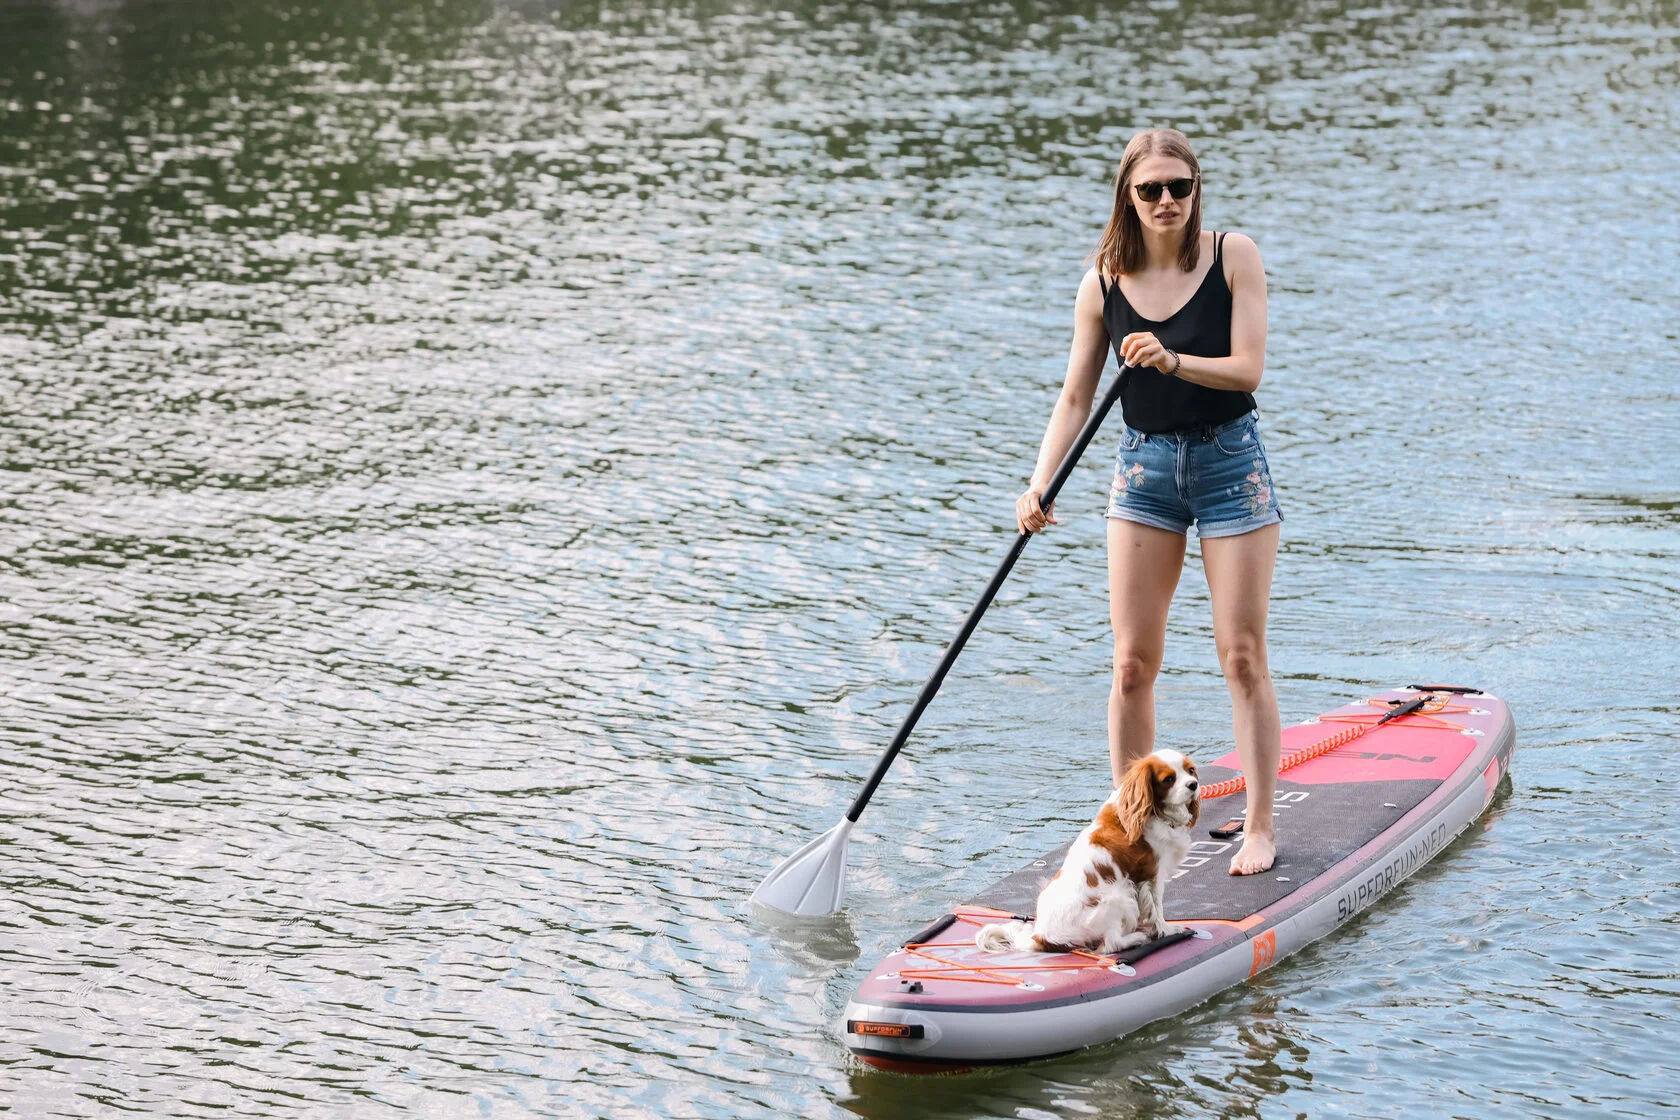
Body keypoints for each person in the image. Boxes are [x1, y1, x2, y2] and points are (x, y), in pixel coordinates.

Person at [1014, 128, 1283, 876]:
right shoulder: (1102, 283)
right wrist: (1039, 482)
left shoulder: (1233, 256)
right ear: (1127, 198)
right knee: (1132, 663)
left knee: (1241, 655)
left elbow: (1248, 369)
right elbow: (1076, 397)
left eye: (1180, 187)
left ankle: (1260, 827)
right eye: (1151, 189)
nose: (1167, 200)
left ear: (1197, 190)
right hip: (1144, 472)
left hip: (1231, 464)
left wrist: (1171, 359)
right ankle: (1133, 833)